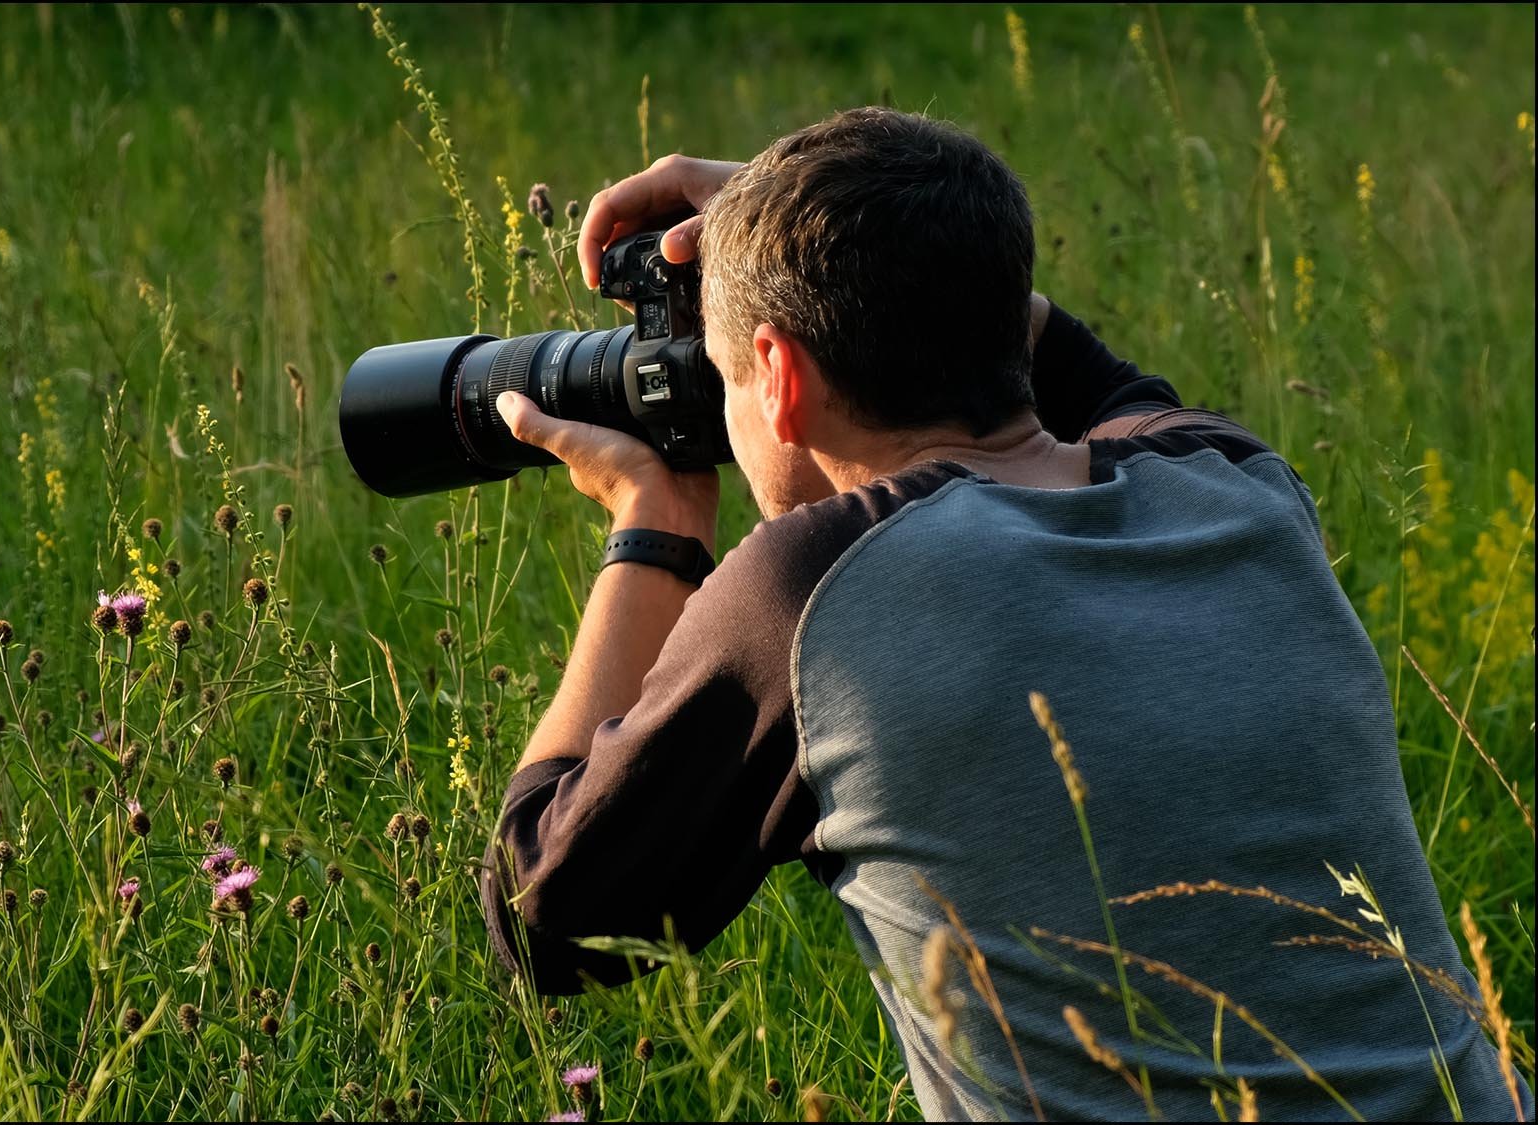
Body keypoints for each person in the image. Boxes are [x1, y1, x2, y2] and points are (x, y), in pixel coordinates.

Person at [478, 107, 1529, 1121]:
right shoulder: (1237, 484)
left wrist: (652, 529)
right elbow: (1080, 369)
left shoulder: (809, 584)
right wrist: (848, 236)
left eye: (720, 376)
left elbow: (542, 914)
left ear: (777, 378)